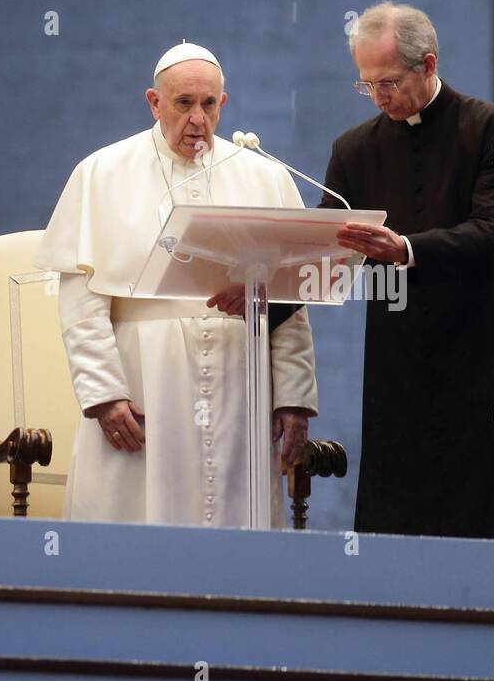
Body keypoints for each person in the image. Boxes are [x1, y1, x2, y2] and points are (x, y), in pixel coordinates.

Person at [321, 2, 494, 543]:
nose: (378, 97)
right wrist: (255, 290)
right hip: (402, 361)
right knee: (404, 514)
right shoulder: (353, 150)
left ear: (429, 65)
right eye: (366, 85)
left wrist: (406, 248)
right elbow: (325, 252)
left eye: (388, 82)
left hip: (491, 353)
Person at [34, 42, 318, 528]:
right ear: (154, 102)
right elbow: (81, 304)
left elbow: (289, 302)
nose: (197, 119)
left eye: (209, 105)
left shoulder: (265, 176)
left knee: (235, 518)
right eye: (183, 103)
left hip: (240, 383)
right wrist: (104, 392)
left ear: (223, 104)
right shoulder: (101, 173)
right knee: (136, 517)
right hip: (143, 383)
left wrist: (293, 396)